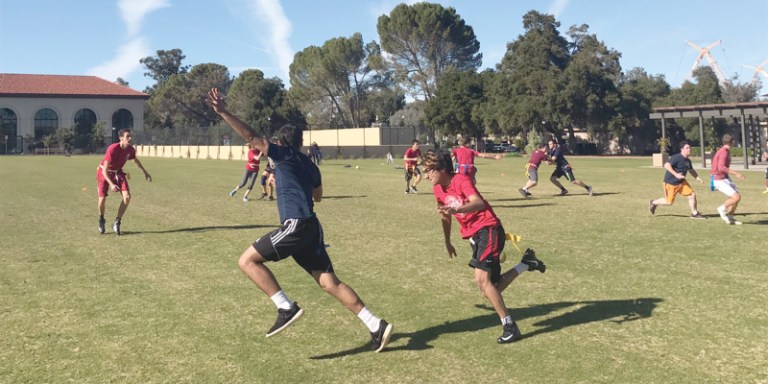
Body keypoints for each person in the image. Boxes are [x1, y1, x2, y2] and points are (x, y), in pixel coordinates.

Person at [207, 88, 393, 352]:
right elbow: (318, 197)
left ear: (281, 144)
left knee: (246, 260)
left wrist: (223, 111)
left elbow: (250, 136)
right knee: (330, 282)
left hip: (296, 225)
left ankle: (285, 306)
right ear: (301, 142)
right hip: (312, 227)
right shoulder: (310, 165)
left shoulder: (284, 155)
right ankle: (376, 325)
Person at [421, 149, 547, 344]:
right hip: (475, 237)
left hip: (489, 229)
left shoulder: (461, 180)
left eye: (428, 171)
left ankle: (510, 326)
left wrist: (457, 209)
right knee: (491, 287)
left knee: (481, 280)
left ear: (440, 168)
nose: (426, 176)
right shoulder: (438, 189)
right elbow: (445, 216)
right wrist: (447, 241)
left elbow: (478, 203)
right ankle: (526, 263)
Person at [96, 129, 152, 235]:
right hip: (104, 172)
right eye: (127, 137)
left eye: (130, 136)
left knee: (127, 197)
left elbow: (135, 160)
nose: (130, 139)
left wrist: (145, 172)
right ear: (121, 138)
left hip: (118, 173)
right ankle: (101, 219)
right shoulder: (112, 149)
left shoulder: (130, 149)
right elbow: (104, 170)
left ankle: (117, 222)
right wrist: (112, 185)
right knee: (102, 199)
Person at [648, 141, 705, 219]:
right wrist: (676, 174)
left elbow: (691, 170)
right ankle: (653, 202)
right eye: (687, 148)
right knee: (669, 202)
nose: (689, 149)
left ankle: (694, 213)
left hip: (681, 183)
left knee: (692, 195)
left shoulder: (688, 161)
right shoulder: (676, 157)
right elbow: (666, 165)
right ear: (682, 149)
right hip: (670, 183)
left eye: (689, 148)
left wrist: (697, 177)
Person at [710, 134, 746, 225]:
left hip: (724, 177)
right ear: (731, 142)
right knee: (736, 197)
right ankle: (721, 208)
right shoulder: (724, 152)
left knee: (737, 197)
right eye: (733, 141)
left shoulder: (725, 151)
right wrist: (736, 173)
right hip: (718, 179)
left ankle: (730, 217)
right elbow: (721, 168)